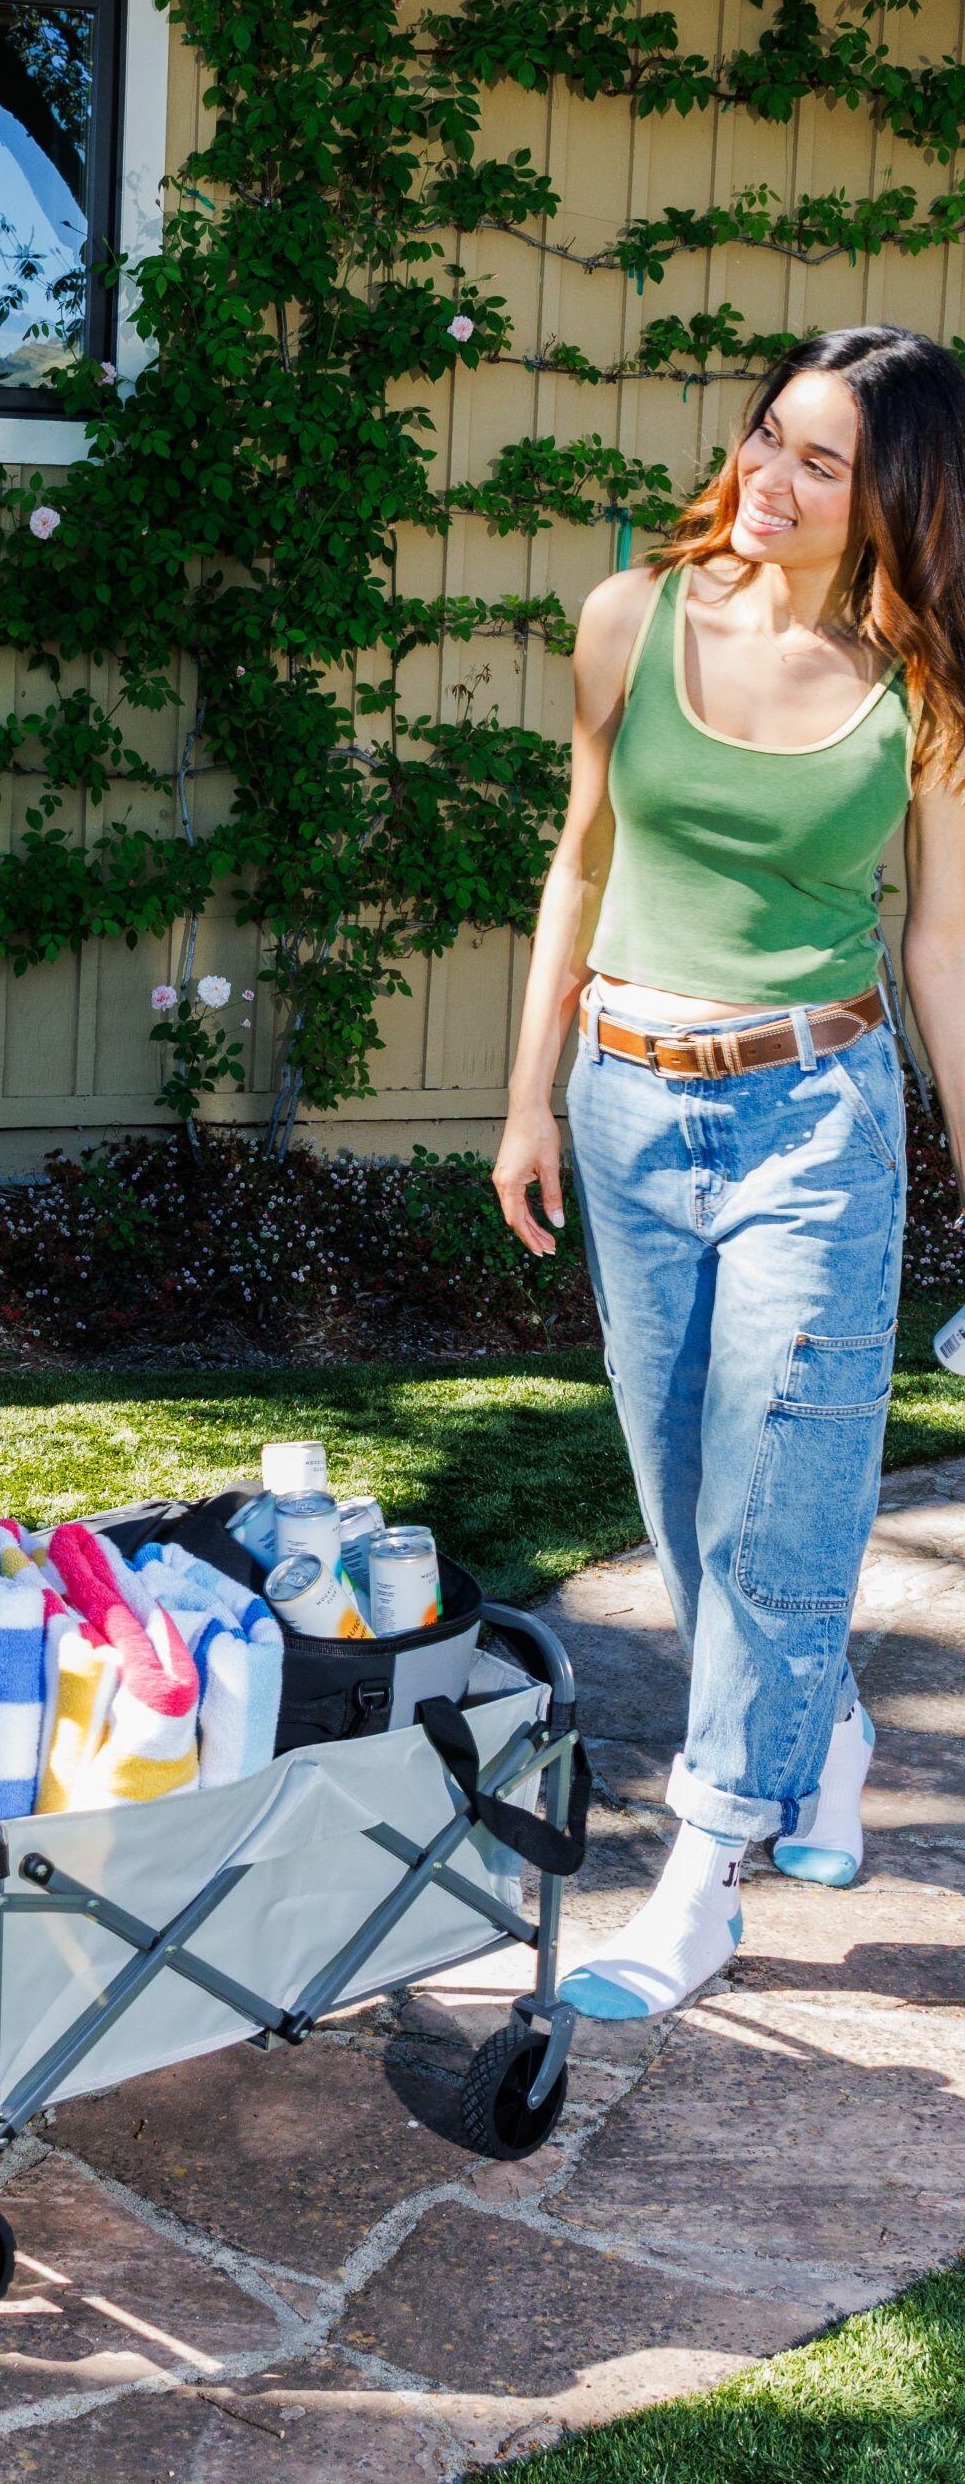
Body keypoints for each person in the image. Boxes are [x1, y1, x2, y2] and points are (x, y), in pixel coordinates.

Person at [494, 325, 965, 2020]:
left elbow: (942, 953)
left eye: (820, 462)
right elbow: (578, 863)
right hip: (627, 1101)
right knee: (681, 1475)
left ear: (891, 496)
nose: (767, 480)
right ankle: (816, 1725)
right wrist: (526, 1096)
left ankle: (704, 1873)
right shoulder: (630, 618)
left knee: (785, 1491)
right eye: (769, 437)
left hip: (818, 1122)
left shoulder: (924, 694)